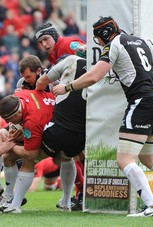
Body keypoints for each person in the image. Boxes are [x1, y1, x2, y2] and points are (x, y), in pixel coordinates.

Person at [53, 16, 153, 217]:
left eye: (97, 38)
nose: (98, 42)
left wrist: (67, 87)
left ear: (104, 34)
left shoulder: (114, 44)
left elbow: (93, 76)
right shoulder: (140, 41)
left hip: (141, 102)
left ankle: (151, 206)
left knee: (124, 159)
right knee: (148, 158)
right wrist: (150, 85)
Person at [0, 90, 55, 214]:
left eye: (10, 119)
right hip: (27, 121)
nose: (8, 123)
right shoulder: (18, 97)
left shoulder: (32, 121)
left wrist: (9, 145)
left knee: (20, 158)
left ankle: (10, 197)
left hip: (49, 131)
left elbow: (31, 154)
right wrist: (12, 135)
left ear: (17, 112)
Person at [36, 54, 87, 211]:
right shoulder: (97, 69)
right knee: (67, 157)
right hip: (81, 130)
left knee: (30, 155)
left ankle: (12, 199)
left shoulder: (70, 61)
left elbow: (40, 83)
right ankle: (72, 199)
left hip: (60, 127)